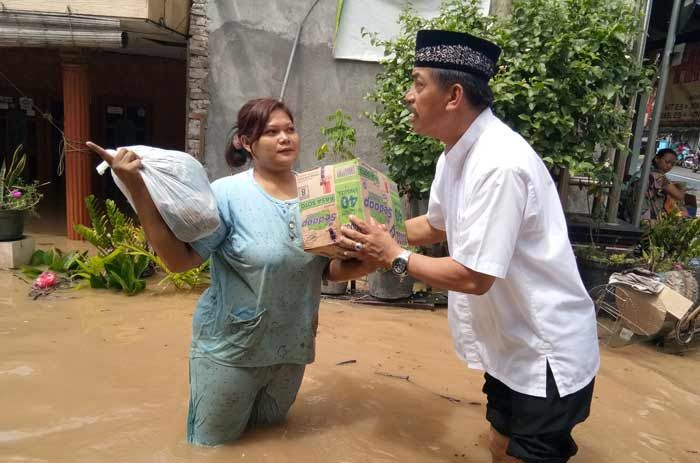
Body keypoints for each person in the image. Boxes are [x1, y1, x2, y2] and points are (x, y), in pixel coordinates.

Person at [339, 30, 599, 462]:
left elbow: (475, 277)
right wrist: (377, 234)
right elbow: (438, 225)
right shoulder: (453, 155)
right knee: (499, 441)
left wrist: (394, 256)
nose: (408, 96)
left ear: (453, 95)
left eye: (418, 83)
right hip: (507, 345)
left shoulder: (500, 165)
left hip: (545, 352)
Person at [87, 98, 374, 446]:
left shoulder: (317, 197)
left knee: (273, 442)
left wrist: (371, 259)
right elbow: (180, 262)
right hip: (230, 351)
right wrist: (138, 190)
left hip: (291, 350)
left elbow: (324, 270)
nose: (285, 138)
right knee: (210, 448)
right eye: (272, 132)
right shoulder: (225, 196)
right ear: (246, 142)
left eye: (290, 129)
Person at [620, 148, 687, 224]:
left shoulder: (642, 172)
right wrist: (682, 187)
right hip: (646, 219)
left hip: (629, 214)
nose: (669, 166)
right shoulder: (659, 177)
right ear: (657, 159)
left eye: (672, 164)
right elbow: (679, 196)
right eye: (667, 162)